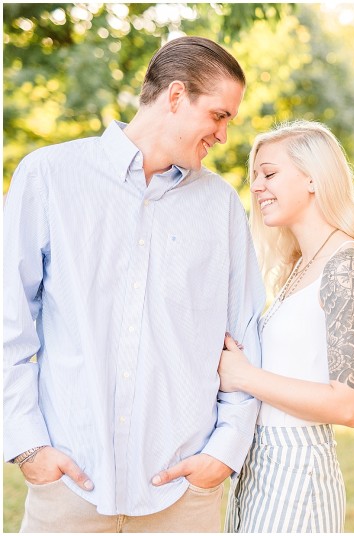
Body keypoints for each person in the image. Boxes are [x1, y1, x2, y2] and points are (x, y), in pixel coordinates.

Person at [3, 36, 265, 532]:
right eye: (219, 116)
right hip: (70, 490)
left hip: (184, 496)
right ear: (175, 96)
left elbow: (244, 335)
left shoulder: (221, 205)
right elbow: (7, 324)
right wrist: (28, 447)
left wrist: (222, 454)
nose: (224, 136)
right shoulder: (49, 177)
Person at [218, 120, 354, 533]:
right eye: (254, 175)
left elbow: (349, 406)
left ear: (313, 179)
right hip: (260, 466)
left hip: (298, 471)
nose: (257, 186)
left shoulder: (349, 266)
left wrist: (245, 377)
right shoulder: (298, 266)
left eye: (270, 173)